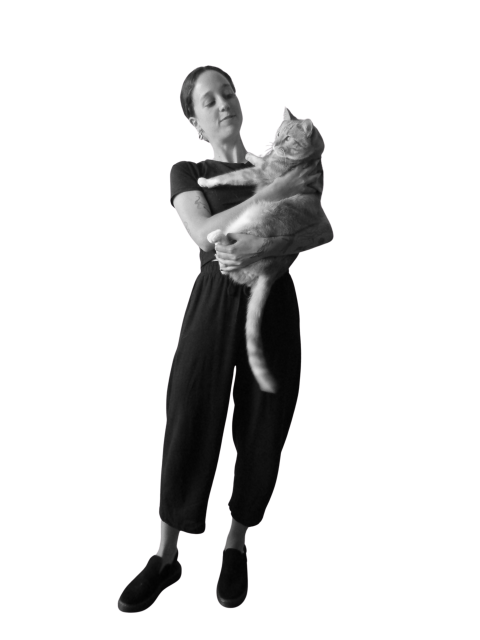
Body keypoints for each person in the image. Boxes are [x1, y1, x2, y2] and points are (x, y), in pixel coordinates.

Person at [117, 65, 328, 613]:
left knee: (264, 420)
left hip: (272, 300)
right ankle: (166, 555)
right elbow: (201, 234)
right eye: (208, 100)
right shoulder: (188, 170)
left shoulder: (274, 166)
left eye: (228, 92)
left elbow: (310, 226)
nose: (223, 103)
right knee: (189, 412)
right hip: (213, 300)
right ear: (196, 122)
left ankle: (235, 546)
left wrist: (256, 238)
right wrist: (264, 212)